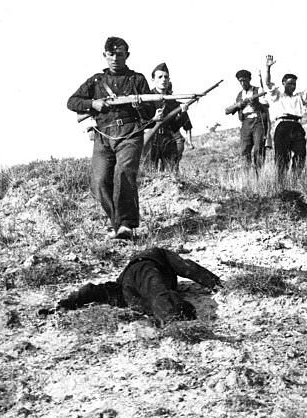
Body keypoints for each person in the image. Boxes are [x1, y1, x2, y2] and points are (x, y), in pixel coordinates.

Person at [67, 36, 156, 240]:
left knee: (123, 172)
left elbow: (150, 111)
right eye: (111, 54)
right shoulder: (96, 81)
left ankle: (126, 223)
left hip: (130, 133)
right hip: (104, 136)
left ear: (127, 56)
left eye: (120, 54)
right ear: (104, 56)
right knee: (98, 181)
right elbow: (72, 102)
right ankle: (116, 223)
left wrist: (138, 104)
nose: (115, 58)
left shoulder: (137, 79)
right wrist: (93, 104)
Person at [46, 247, 221, 326]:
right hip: (145, 267)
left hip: (125, 287)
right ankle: (176, 322)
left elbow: (94, 290)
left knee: (103, 293)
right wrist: (216, 284)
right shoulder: (158, 253)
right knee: (158, 292)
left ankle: (170, 319)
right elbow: (187, 267)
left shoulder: (124, 286)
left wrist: (67, 302)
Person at [262, 54, 307, 180]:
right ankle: (281, 183)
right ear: (283, 83)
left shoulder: (299, 97)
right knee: (282, 157)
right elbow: (267, 83)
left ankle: (295, 180)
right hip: (282, 126)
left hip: (296, 126)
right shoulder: (277, 95)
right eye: (289, 84)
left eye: (294, 84)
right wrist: (267, 68)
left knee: (301, 153)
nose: (292, 86)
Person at [143, 63, 193, 173]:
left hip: (168, 139)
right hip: (151, 140)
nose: (163, 80)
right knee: (149, 173)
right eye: (160, 77)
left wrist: (183, 113)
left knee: (172, 172)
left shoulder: (172, 100)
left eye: (166, 77)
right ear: (153, 80)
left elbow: (175, 127)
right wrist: (153, 119)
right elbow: (141, 122)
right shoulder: (146, 98)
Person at [224, 69, 270, 170]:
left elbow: (266, 106)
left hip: (258, 121)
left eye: (245, 80)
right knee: (245, 150)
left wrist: (256, 104)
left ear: (249, 79)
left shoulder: (258, 91)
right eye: (240, 81)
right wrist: (240, 105)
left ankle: (259, 174)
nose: (243, 83)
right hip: (245, 123)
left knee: (259, 149)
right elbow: (227, 111)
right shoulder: (240, 95)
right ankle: (247, 176)